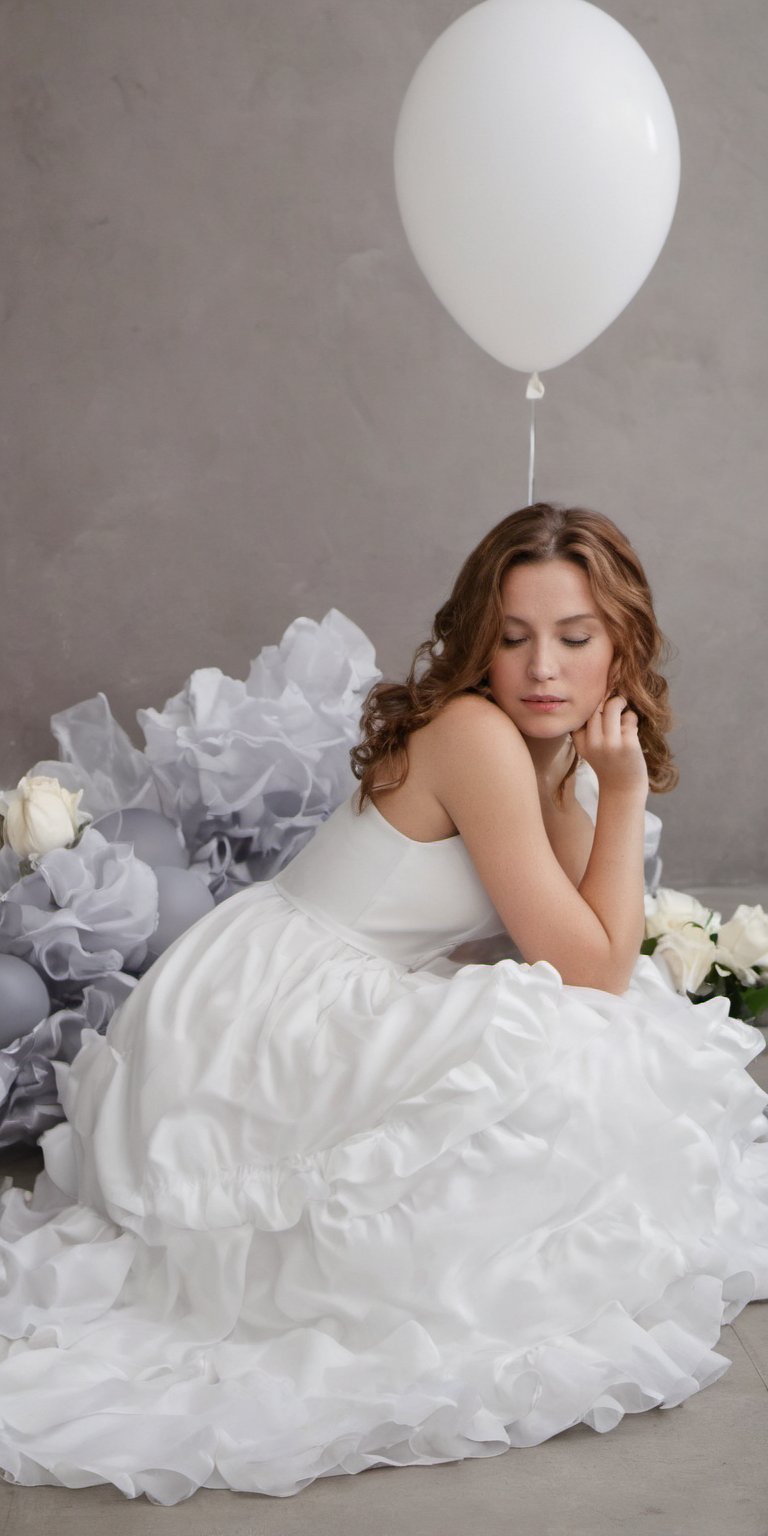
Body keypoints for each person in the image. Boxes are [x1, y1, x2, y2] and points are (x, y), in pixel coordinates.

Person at [0, 502, 765, 1506]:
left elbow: (604, 951)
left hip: (361, 982)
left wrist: (604, 784)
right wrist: (624, 798)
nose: (543, 669)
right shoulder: (475, 733)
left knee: (601, 1037)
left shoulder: (559, 754)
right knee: (563, 1036)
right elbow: (591, 968)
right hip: (267, 1007)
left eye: (576, 639)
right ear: (476, 647)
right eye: (513, 638)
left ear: (621, 645)